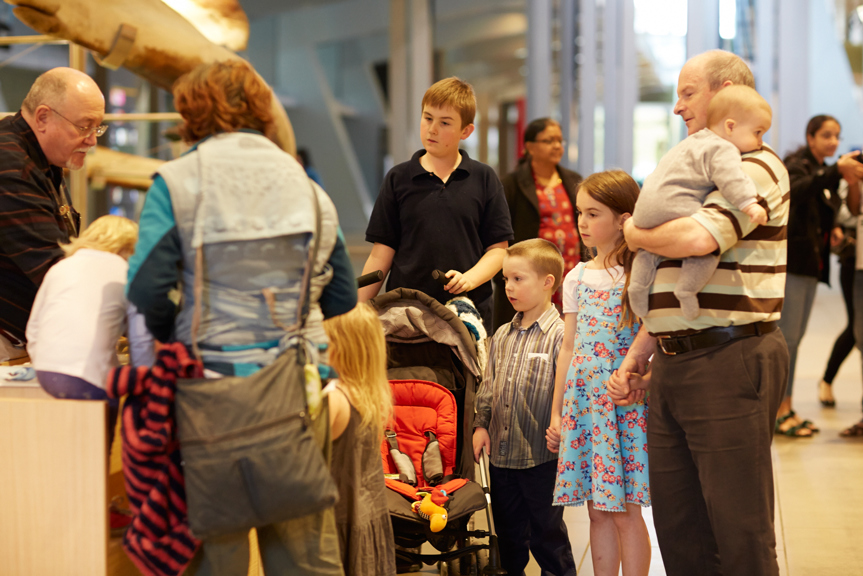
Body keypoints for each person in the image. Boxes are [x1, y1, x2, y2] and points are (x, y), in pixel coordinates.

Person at [126, 60, 356, 576]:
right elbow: (341, 296)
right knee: (304, 556)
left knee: (218, 552)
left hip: (211, 395)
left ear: (192, 112)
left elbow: (144, 289)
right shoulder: (306, 185)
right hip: (297, 390)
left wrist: (174, 331)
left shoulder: (178, 183)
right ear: (260, 110)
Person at [608, 50, 790, 576]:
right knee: (679, 527)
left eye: (688, 93)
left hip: (730, 357)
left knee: (738, 530)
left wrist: (635, 233)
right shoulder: (701, 168)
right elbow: (669, 274)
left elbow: (693, 237)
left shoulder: (757, 167)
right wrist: (642, 353)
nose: (677, 108)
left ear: (726, 91)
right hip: (674, 363)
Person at [545, 171, 651, 576]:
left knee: (624, 510)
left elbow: (652, 331)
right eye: (579, 213)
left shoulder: (638, 273)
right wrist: (558, 412)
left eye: (593, 213)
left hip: (622, 405)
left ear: (624, 219)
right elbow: (568, 347)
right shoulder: (576, 276)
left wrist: (641, 379)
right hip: (584, 404)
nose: (582, 223)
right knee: (596, 510)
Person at [358, 77, 513, 331]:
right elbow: (380, 253)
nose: (432, 129)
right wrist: (359, 310)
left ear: (466, 131)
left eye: (444, 123)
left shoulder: (484, 178)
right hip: (404, 311)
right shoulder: (398, 178)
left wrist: (469, 279)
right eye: (427, 118)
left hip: (468, 312)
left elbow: (499, 249)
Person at [473, 238, 577, 576]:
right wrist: (480, 424)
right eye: (505, 279)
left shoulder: (561, 337)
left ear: (548, 282)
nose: (508, 287)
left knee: (548, 537)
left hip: (541, 458)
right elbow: (488, 386)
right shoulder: (501, 334)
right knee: (508, 540)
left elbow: (569, 392)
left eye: (518, 279)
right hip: (502, 458)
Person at [629, 85, 771, 321]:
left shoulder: (689, 142)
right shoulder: (724, 147)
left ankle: (637, 287)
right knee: (708, 245)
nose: (760, 142)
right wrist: (749, 204)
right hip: (675, 205)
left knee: (649, 248)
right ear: (730, 126)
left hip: (643, 211)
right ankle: (687, 289)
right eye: (757, 132)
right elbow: (731, 179)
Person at [0, 67, 106, 361]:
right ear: (43, 117)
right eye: (84, 126)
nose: (92, 140)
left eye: (97, 127)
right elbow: (53, 268)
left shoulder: (42, 158)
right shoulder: (9, 163)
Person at [27, 215, 152, 442]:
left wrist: (45, 362)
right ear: (128, 246)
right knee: (99, 445)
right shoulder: (126, 273)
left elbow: (34, 329)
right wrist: (145, 380)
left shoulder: (60, 268)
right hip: (88, 379)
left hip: (45, 373)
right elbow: (140, 340)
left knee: (64, 444)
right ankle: (102, 466)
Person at [777, 115, 863, 436]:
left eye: (837, 136)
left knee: (794, 339)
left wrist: (837, 229)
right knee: (787, 339)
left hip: (811, 267)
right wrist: (835, 171)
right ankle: (780, 410)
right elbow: (796, 192)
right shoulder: (798, 165)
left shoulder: (823, 172)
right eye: (826, 135)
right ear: (810, 137)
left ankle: (787, 406)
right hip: (794, 265)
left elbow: (834, 211)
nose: (833, 141)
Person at [323, 303, 396, 576]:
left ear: (339, 346)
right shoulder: (371, 393)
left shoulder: (334, 397)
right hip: (368, 513)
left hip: (338, 516)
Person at [493, 118, 582, 330]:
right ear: (530, 147)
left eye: (560, 140)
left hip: (570, 275)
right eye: (549, 140)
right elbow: (500, 234)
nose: (557, 146)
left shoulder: (573, 180)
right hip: (532, 278)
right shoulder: (511, 184)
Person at [819, 176, 859, 411]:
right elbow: (843, 213)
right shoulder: (853, 172)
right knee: (856, 326)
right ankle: (827, 379)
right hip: (854, 262)